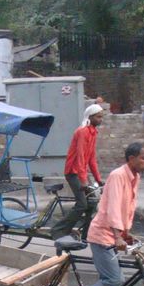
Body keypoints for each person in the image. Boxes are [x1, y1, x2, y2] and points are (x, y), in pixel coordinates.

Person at [64, 142, 144, 286]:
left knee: (114, 279)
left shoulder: (134, 177)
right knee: (113, 280)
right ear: (132, 159)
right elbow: (113, 208)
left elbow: (127, 208)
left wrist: (126, 234)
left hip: (114, 235)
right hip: (102, 236)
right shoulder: (118, 176)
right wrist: (117, 236)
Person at [50, 102, 105, 240]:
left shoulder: (93, 132)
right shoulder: (82, 132)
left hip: (82, 173)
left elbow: (91, 158)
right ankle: (59, 230)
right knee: (82, 204)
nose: (100, 119)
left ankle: (87, 233)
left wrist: (98, 179)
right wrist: (83, 181)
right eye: (98, 117)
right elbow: (80, 157)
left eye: (101, 117)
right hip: (72, 172)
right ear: (90, 117)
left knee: (93, 201)